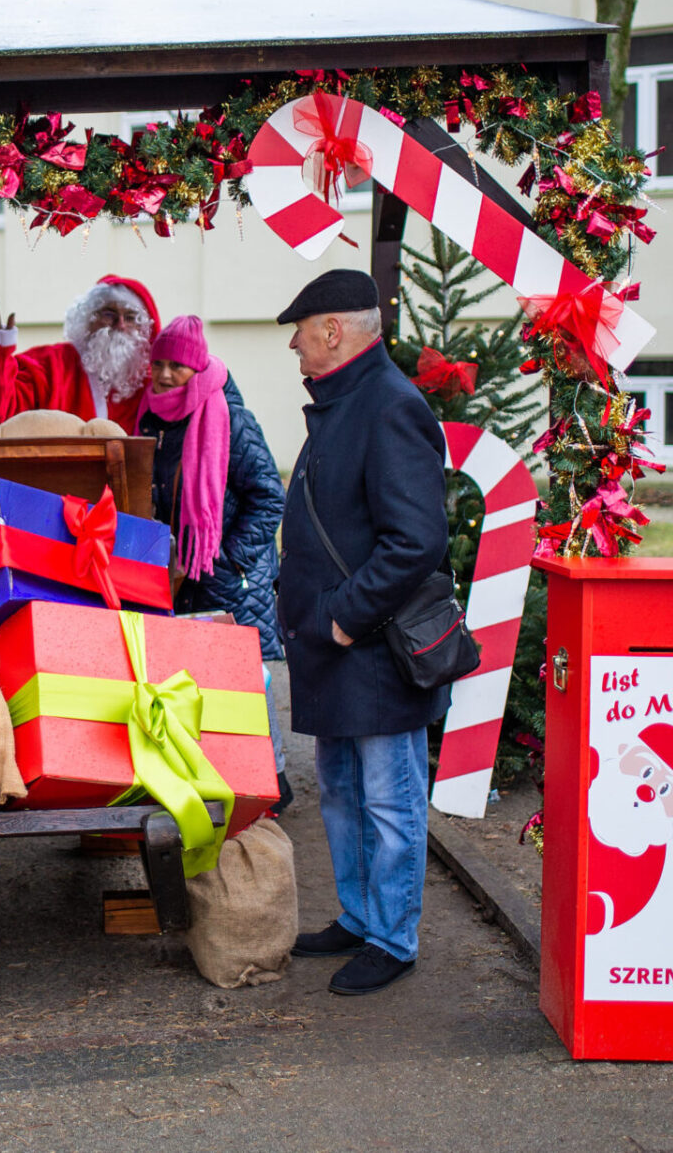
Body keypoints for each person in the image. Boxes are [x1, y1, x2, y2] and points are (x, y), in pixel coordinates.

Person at [276, 269, 450, 996]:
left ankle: (393, 938)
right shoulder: (347, 398)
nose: (293, 345)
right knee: (342, 793)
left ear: (333, 329)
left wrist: (345, 617)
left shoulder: (389, 404)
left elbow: (417, 542)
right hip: (335, 646)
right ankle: (359, 915)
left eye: (300, 331)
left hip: (369, 647)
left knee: (389, 799)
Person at [136, 315, 291, 812]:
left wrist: (222, 559)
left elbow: (270, 498)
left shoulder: (230, 417)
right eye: (158, 364)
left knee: (246, 683)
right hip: (176, 573)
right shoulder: (150, 418)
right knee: (192, 680)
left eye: (177, 366)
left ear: (197, 367)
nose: (164, 375)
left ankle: (273, 787)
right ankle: (212, 781)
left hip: (226, 574)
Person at [0, 275, 159, 432]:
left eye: (131, 317)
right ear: (88, 319)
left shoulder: (153, 381)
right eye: (109, 314)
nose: (120, 324)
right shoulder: (49, 364)